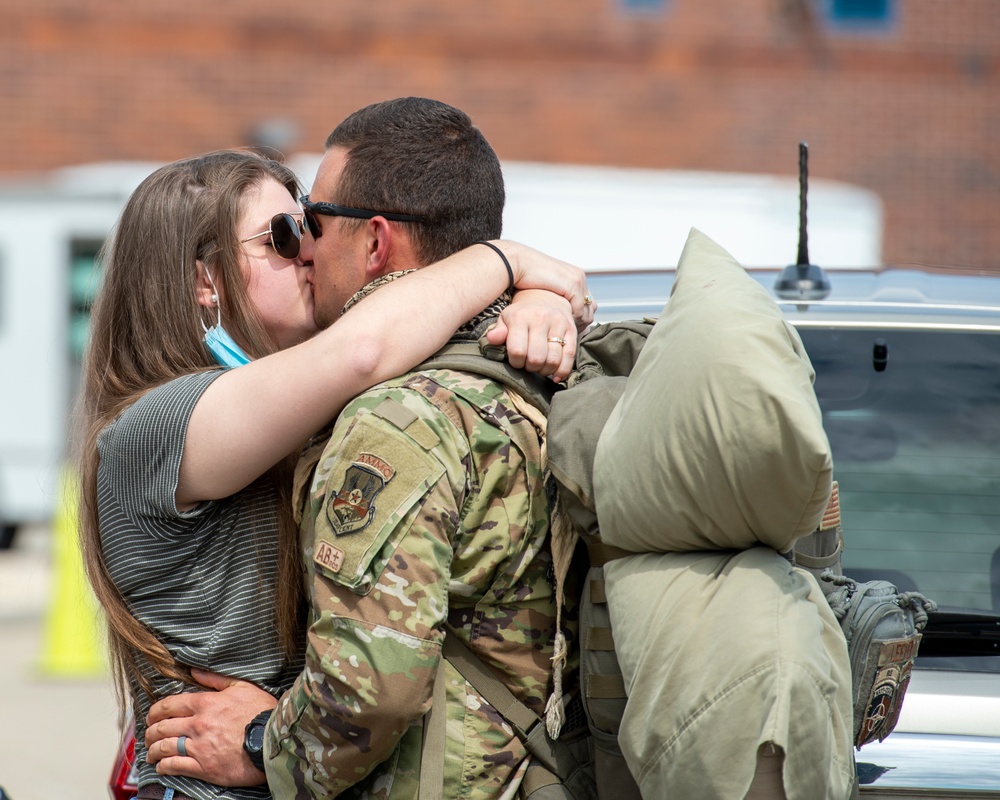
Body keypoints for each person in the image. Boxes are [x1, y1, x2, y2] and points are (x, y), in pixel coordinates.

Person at [79, 145, 594, 800]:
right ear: (205, 280)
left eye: (311, 227)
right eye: (284, 235)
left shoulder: (294, 410)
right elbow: (363, 349)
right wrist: (507, 260)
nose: (309, 252)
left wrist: (541, 302)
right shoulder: (152, 427)